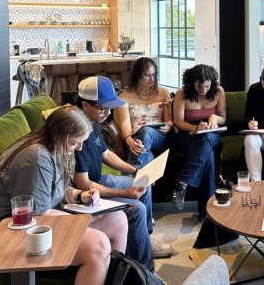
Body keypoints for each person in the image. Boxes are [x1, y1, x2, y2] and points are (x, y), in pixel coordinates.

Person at [0, 106, 128, 285]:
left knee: (118, 220)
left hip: (41, 222)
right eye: (75, 142)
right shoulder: (36, 158)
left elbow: (53, 188)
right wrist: (81, 222)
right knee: (97, 245)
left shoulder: (54, 147)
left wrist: (79, 195)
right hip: (9, 233)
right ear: (62, 136)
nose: (79, 148)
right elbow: (36, 213)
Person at [73, 76, 175, 268]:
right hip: (90, 191)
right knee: (138, 206)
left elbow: (106, 154)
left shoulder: (93, 121)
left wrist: (135, 170)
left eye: (109, 107)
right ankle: (145, 271)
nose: (108, 113)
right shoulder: (77, 132)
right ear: (85, 105)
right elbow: (83, 185)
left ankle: (145, 236)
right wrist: (123, 193)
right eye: (103, 108)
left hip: (100, 179)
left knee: (141, 182)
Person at [170, 64, 226, 221]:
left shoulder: (218, 91)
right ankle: (207, 214)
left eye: (207, 85)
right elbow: (178, 122)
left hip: (212, 136)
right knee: (207, 159)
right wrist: (196, 127)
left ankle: (182, 184)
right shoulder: (182, 94)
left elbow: (223, 118)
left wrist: (214, 117)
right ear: (191, 82)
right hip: (187, 136)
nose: (203, 90)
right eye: (199, 86)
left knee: (206, 139)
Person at [115, 57, 173, 169]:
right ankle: (137, 178)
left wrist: (168, 126)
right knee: (148, 160)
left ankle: (130, 174)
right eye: (147, 75)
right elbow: (125, 123)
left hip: (159, 136)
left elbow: (169, 120)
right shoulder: (124, 97)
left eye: (153, 74)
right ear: (137, 75)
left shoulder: (163, 92)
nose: (152, 79)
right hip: (137, 138)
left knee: (146, 130)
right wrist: (129, 140)